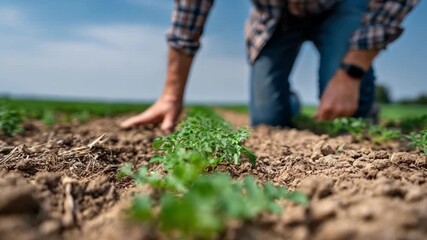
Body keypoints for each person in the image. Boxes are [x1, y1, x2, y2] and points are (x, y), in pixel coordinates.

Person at [120, 0, 418, 131]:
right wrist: (171, 96)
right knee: (268, 119)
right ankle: (290, 104)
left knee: (349, 119)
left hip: (339, 6)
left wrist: (352, 72)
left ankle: (361, 99)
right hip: (274, 18)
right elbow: (190, 13)